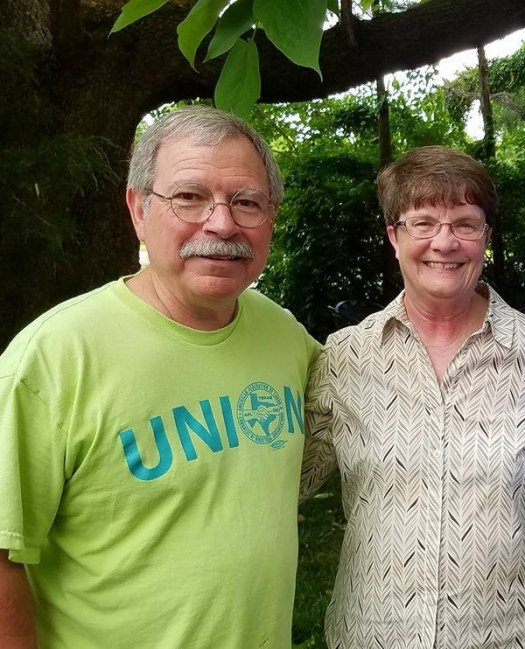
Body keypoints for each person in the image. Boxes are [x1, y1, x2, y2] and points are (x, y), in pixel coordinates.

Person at [0, 105, 319, 649]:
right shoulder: (51, 360)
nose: (221, 223)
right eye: (190, 197)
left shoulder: (286, 337)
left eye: (246, 202)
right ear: (138, 209)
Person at [301, 146, 525, 649]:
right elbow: (279, 484)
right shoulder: (344, 357)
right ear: (393, 237)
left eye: (465, 223)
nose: (444, 243)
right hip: (375, 633)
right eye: (422, 222)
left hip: (520, 633)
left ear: (486, 238)